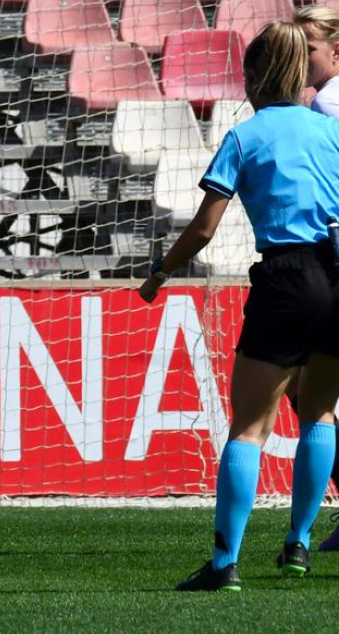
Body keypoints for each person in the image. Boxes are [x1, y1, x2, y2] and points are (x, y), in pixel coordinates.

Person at [138, 22, 339, 591]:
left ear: (254, 76)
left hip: (288, 277)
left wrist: (161, 270)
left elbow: (204, 228)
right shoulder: (331, 132)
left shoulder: (244, 137)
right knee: (320, 412)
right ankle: (298, 544)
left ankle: (224, 563)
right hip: (338, 274)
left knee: (248, 428)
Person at [293, 6, 339, 552]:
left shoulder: (325, 104)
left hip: (326, 260)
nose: (300, 56)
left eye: (308, 46)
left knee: (305, 390)